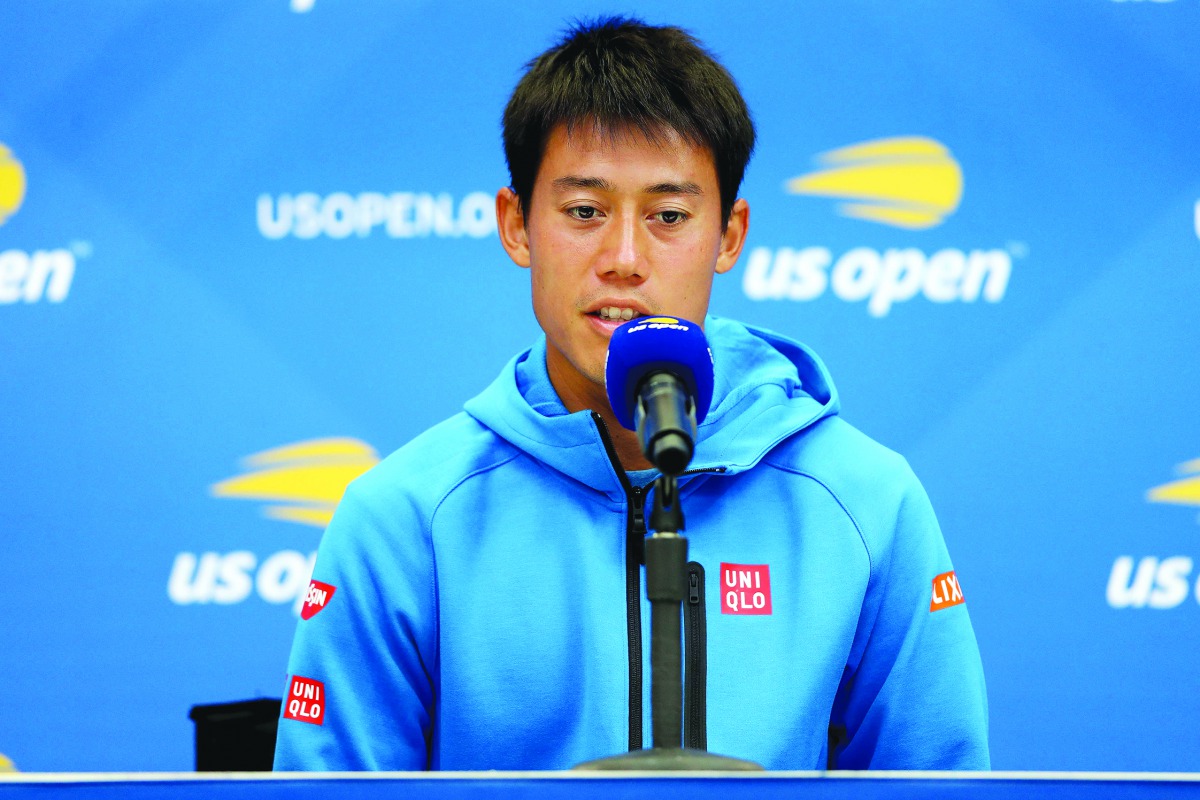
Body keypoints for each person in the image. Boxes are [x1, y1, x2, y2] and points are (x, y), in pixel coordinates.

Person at [273, 16, 989, 771]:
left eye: (669, 216)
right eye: (585, 212)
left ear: (729, 235)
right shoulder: (407, 517)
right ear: (517, 226)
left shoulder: (865, 501)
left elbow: (938, 787)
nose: (623, 258)